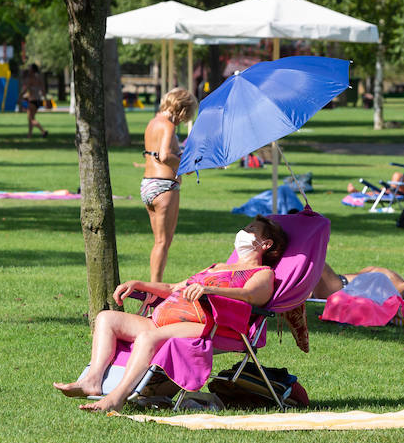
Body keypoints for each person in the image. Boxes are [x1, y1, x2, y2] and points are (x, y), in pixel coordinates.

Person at [55, 215, 288, 413]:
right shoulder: (217, 267)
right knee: (107, 318)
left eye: (250, 230)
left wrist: (209, 290)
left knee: (148, 338)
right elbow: (175, 288)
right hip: (165, 320)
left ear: (265, 244)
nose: (243, 232)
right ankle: (93, 380)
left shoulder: (262, 273)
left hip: (209, 324)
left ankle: (117, 397)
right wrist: (140, 284)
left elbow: (251, 296)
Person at [141, 87, 198, 283]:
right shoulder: (168, 125)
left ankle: (153, 286)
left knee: (158, 242)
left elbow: (156, 153)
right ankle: (154, 289)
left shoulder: (152, 123)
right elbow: (165, 156)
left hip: (148, 184)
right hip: (164, 186)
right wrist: (186, 166)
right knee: (162, 242)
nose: (184, 120)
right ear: (182, 108)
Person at [312, 263, 404, 301]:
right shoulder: (398, 281)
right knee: (312, 258)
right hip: (337, 283)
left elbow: (392, 298)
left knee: (313, 257)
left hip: (338, 289)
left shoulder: (402, 285)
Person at [21, 62, 48, 137]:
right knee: (31, 117)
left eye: (30, 68)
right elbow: (43, 90)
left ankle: (43, 131)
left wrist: (20, 96)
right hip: (38, 101)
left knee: (31, 119)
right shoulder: (39, 78)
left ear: (32, 69)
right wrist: (45, 100)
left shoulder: (31, 78)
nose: (29, 69)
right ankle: (29, 135)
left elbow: (25, 89)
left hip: (32, 100)